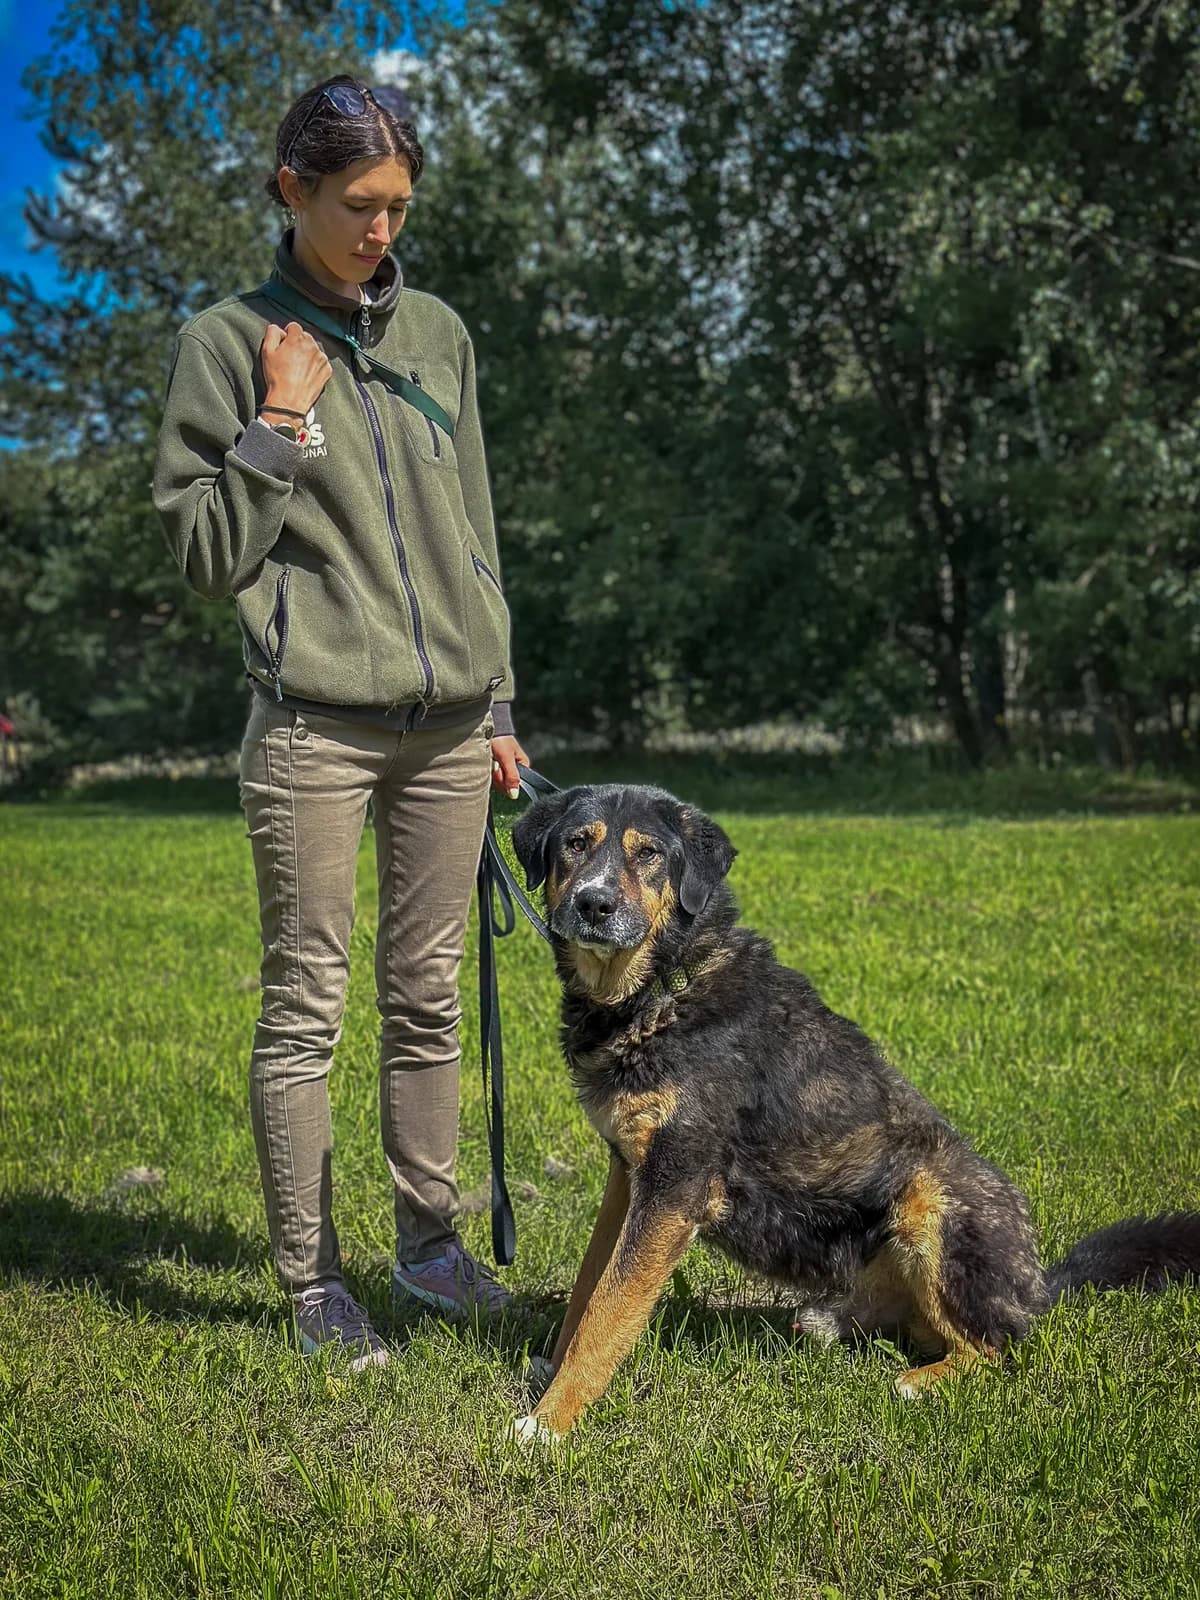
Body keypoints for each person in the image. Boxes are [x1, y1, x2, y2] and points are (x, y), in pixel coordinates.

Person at [153, 75, 529, 1371]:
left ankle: (430, 1248)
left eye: (398, 207)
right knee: (305, 1007)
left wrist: (498, 699)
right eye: (357, 204)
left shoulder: (439, 334)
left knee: (428, 997)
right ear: (290, 191)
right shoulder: (225, 342)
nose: (380, 230)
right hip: (313, 726)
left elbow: (474, 531)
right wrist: (277, 418)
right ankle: (315, 1286)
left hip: (451, 729)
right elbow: (207, 558)